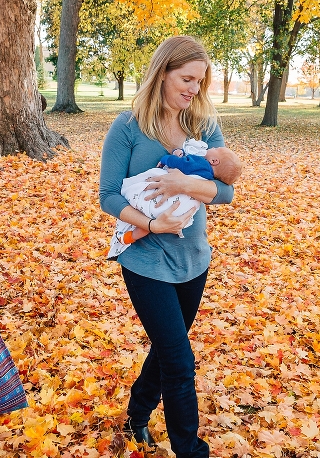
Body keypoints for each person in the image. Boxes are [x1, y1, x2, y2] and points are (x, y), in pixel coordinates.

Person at [99, 36, 236, 457]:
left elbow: (227, 191)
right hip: (146, 262)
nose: (194, 88)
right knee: (179, 362)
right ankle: (189, 450)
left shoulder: (203, 126)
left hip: (194, 260)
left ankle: (138, 416)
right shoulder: (128, 127)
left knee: (166, 349)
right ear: (162, 73)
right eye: (187, 78)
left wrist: (184, 183)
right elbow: (108, 196)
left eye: (201, 81)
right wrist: (153, 223)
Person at [107, 142, 242, 258]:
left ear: (214, 161)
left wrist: (167, 159)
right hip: (178, 213)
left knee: (148, 210)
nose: (213, 148)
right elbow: (108, 195)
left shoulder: (201, 162)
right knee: (154, 220)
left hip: (169, 208)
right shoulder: (211, 175)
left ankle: (129, 235)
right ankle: (133, 234)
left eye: (216, 149)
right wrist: (153, 226)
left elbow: (226, 193)